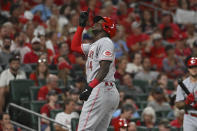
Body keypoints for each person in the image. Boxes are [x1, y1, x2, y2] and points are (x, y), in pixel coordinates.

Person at [71, 10, 119, 131]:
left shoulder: (105, 42)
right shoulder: (95, 44)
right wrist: (81, 26)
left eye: (99, 21)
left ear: (106, 27)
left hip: (100, 88)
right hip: (106, 90)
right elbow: (74, 47)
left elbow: (104, 68)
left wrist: (90, 87)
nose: (95, 23)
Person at [175, 57, 197, 131]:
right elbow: (178, 105)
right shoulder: (183, 84)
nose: (194, 69)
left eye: (196, 66)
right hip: (189, 118)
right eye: (191, 67)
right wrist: (187, 102)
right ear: (188, 68)